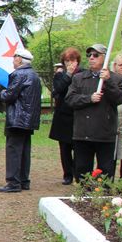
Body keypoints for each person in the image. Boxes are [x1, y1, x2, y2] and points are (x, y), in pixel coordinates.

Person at [65, 43, 122, 180]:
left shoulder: (115, 79)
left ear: (104, 58)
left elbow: (120, 98)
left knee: (106, 172)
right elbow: (70, 99)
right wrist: (88, 98)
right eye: (89, 55)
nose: (91, 58)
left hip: (105, 134)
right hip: (83, 134)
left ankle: (103, 197)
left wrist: (108, 81)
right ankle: (83, 196)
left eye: (95, 55)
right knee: (82, 170)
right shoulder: (79, 78)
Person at [0, 48, 42, 193]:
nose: (13, 59)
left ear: (20, 59)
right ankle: (24, 180)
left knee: (13, 150)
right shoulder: (34, 75)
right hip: (29, 119)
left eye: (14, 57)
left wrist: (1, 92)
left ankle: (13, 182)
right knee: (24, 150)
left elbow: (9, 95)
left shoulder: (18, 74)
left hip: (17, 118)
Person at [49, 48, 81, 185]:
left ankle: (78, 172)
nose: (70, 63)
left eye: (72, 60)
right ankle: (67, 174)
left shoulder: (83, 74)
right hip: (63, 116)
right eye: (67, 61)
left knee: (79, 147)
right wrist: (67, 74)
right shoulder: (60, 75)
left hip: (78, 115)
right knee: (65, 148)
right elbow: (58, 90)